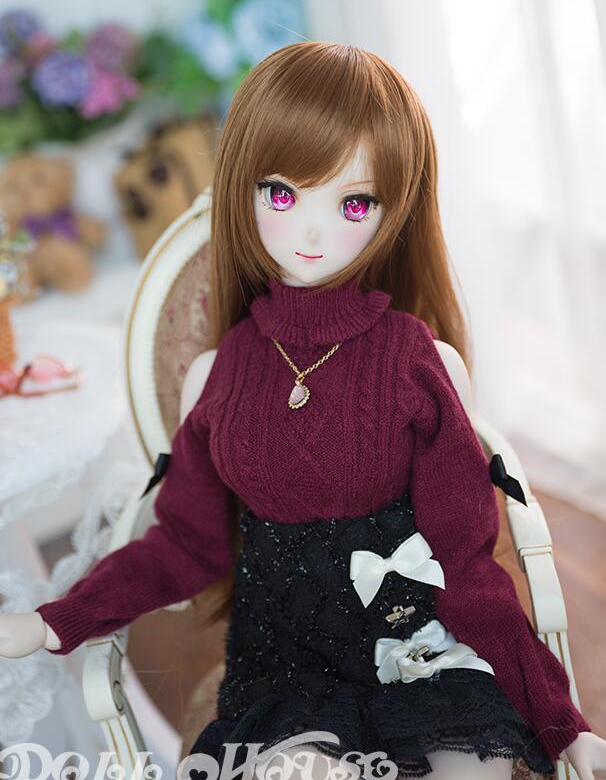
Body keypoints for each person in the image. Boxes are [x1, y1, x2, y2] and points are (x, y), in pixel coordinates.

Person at [1, 41, 604, 780]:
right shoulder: (217, 376)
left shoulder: (418, 362)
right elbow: (184, 543)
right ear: (244, 190)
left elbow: (465, 561)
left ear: (393, 211)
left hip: (418, 643)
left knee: (473, 766)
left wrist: (561, 722)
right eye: (283, 194)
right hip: (288, 668)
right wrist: (53, 622)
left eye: (354, 203)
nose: (314, 233)